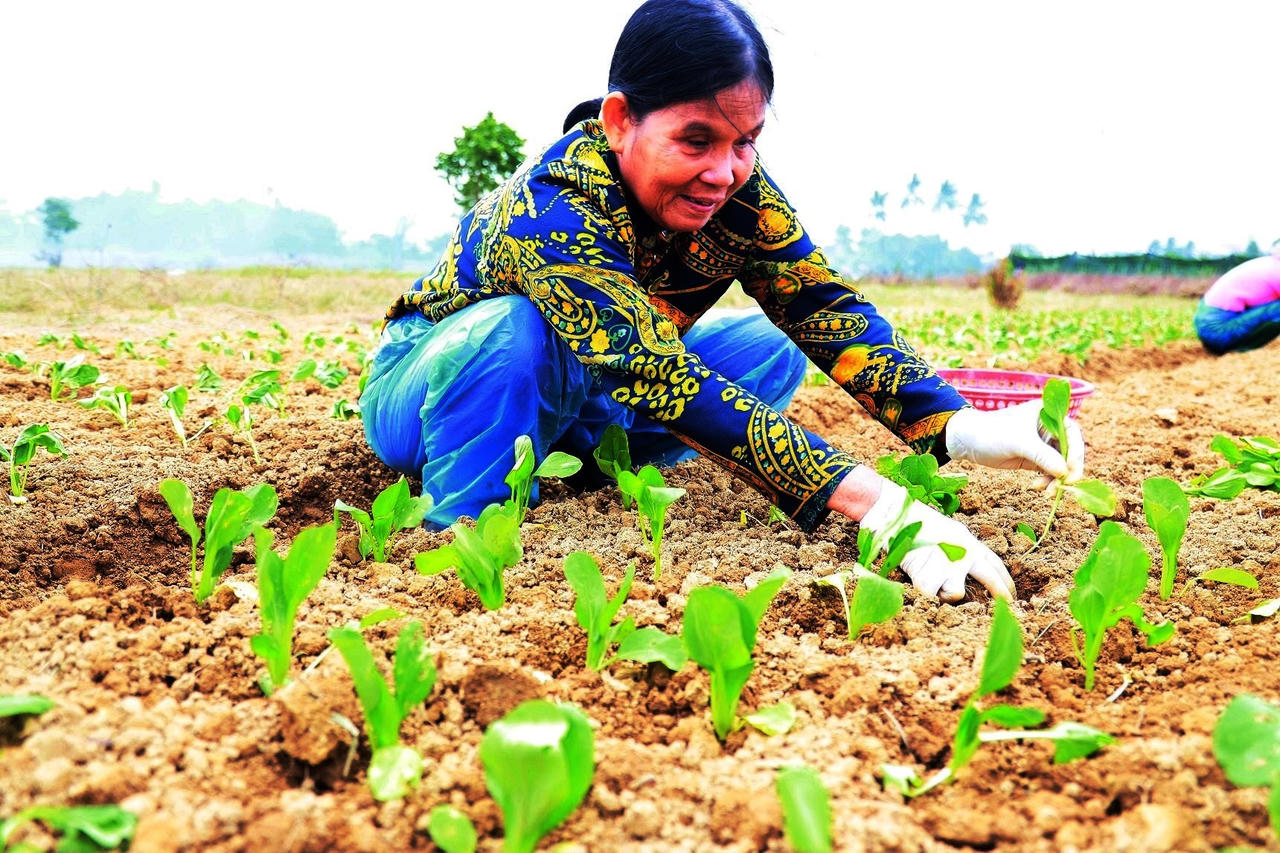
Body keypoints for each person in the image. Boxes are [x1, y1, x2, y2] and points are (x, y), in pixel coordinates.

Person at [360, 0, 1085, 602]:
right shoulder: (556, 208)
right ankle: (467, 525)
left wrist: (955, 425)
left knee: (768, 351)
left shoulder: (740, 193)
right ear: (619, 121)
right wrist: (884, 507)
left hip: (581, 385)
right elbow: (657, 372)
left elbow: (820, 304)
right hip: (429, 386)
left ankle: (572, 452)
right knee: (515, 333)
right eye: (696, 140)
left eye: (745, 141)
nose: (723, 172)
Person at [1193, 252, 1280, 355]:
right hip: (1219, 332)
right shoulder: (1276, 271)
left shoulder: (1269, 263)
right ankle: (1242, 351)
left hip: (1208, 327)